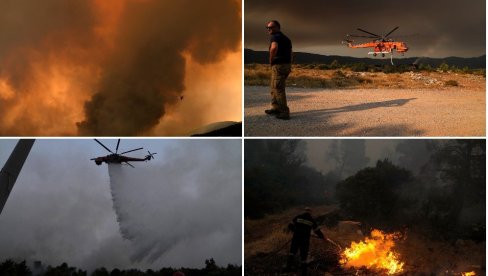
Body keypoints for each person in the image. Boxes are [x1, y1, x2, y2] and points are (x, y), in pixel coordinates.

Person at [266, 20, 292, 120]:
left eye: (271, 27)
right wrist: (289, 64)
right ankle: (275, 107)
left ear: (277, 27)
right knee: (274, 86)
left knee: (278, 89)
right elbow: (291, 52)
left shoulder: (275, 37)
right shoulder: (287, 39)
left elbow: (273, 48)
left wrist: (270, 60)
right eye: (267, 27)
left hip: (278, 66)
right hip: (286, 65)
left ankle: (284, 112)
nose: (269, 29)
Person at [286, 207, 325, 274]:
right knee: (304, 256)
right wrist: (322, 237)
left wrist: (295, 231)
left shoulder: (298, 217)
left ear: (304, 211)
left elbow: (290, 225)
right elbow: (316, 230)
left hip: (296, 238)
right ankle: (304, 272)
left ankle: (288, 269)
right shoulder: (311, 220)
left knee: (292, 253)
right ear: (310, 212)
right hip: (305, 240)